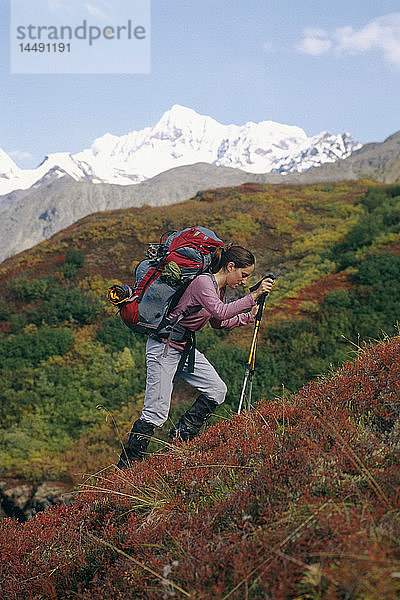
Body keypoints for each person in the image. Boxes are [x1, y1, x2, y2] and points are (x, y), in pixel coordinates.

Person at [117, 244, 275, 469]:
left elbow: (219, 322)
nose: (244, 281)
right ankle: (127, 467)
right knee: (155, 413)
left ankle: (181, 438)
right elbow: (221, 312)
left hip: (184, 348)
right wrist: (253, 295)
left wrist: (248, 317)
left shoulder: (219, 290)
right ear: (230, 267)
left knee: (217, 390)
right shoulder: (203, 283)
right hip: (164, 347)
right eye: (243, 275)